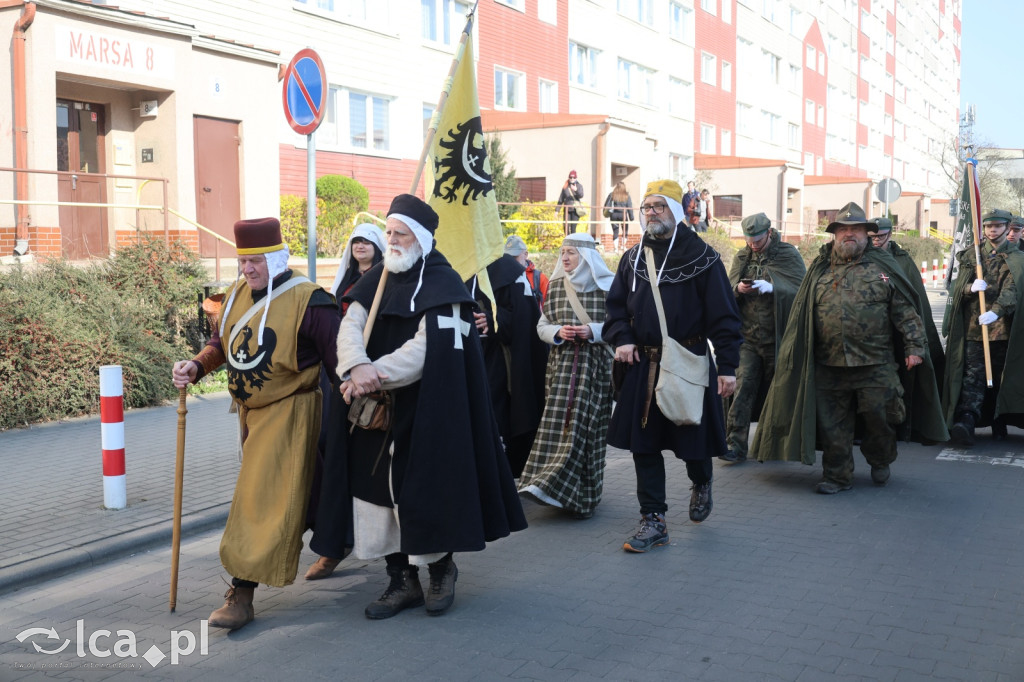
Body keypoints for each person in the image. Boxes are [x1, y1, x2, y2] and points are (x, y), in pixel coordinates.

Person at [311, 194, 527, 620]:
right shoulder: (375, 280)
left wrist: (374, 374)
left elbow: (426, 352)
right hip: (371, 412)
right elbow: (350, 326)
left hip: (427, 409)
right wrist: (354, 365)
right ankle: (401, 581)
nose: (391, 241)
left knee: (425, 492)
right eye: (388, 232)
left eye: (400, 234)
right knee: (374, 495)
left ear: (422, 239)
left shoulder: (444, 285)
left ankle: (441, 571)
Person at [171, 217, 340, 631]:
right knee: (305, 488)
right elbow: (222, 343)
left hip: (293, 412)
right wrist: (196, 365)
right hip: (250, 414)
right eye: (243, 260)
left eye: (257, 260)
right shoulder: (237, 295)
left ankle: (241, 594)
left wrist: (360, 400)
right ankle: (337, 537)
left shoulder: (310, 300)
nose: (248, 268)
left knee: (259, 498)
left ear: (277, 258)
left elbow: (340, 357)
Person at [752, 202, 940, 494]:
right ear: (834, 235)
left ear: (867, 234)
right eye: (843, 230)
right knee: (832, 426)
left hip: (876, 364)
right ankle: (838, 476)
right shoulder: (819, 269)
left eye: (856, 230)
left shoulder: (883, 268)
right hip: (828, 365)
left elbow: (905, 312)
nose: (848, 235)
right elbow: (802, 315)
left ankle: (881, 459)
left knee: (881, 419)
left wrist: (915, 347)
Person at [604, 179, 742, 553]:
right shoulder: (632, 259)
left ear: (676, 212)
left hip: (689, 363)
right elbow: (615, 309)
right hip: (643, 365)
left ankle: (701, 480)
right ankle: (654, 519)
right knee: (643, 446)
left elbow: (725, 318)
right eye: (646, 207)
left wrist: (727, 367)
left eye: (659, 207)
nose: (651, 213)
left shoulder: (704, 258)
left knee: (691, 442)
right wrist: (623, 338)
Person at [304, 222, 387, 581]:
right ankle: (333, 546)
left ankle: (402, 559)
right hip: (342, 385)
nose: (360, 246)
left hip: (382, 383)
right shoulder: (341, 288)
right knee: (335, 460)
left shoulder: (389, 281)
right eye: (355, 241)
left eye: (368, 240)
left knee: (378, 470)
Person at [518, 233, 615, 519]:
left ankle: (583, 497)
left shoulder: (609, 287)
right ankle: (546, 485)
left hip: (596, 370)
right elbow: (543, 324)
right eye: (562, 253)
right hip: (561, 370)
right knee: (557, 429)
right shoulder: (557, 286)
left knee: (587, 432)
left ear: (586, 256)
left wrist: (593, 332)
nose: (565, 258)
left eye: (570, 252)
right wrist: (559, 333)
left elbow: (622, 326)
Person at [720, 212, 806, 463]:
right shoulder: (742, 257)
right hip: (747, 338)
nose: (753, 245)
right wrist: (739, 289)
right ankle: (735, 444)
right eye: (749, 240)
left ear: (769, 233)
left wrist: (774, 288)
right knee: (742, 386)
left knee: (778, 392)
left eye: (757, 240)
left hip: (778, 338)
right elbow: (727, 290)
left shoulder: (788, 254)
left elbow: (801, 289)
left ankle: (776, 445)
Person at [942, 208, 1024, 445]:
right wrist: (969, 288)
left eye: (997, 226)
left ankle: (999, 423)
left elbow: (1013, 291)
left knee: (1000, 378)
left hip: (1003, 330)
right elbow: (957, 287)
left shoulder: (1017, 258)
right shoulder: (972, 256)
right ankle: (967, 421)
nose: (992, 230)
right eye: (988, 226)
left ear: (1008, 228)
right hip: (973, 329)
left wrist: (996, 312)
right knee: (973, 376)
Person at [866, 217, 949, 444]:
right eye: (871, 237)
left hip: (900, 332)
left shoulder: (901, 260)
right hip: (871, 335)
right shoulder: (860, 257)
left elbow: (915, 299)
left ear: (890, 235)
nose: (875, 241)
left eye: (880, 237)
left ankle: (905, 426)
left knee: (903, 381)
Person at [466, 251, 548, 478]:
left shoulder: (508, 271)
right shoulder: (456, 262)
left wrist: (493, 320)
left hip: (499, 360)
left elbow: (525, 317)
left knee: (496, 413)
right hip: (466, 354)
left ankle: (499, 474)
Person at [504, 234, 549, 309]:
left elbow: (548, 309)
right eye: (508, 257)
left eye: (515, 256)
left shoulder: (539, 278)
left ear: (526, 254)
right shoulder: (501, 276)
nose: (511, 261)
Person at [603, 181, 635, 252]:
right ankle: (623, 246)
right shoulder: (626, 195)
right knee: (625, 230)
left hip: (614, 215)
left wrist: (605, 212)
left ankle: (616, 248)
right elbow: (629, 207)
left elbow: (606, 204)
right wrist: (631, 217)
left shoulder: (612, 194)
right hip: (623, 214)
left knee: (615, 231)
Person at [557, 170, 585, 236]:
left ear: (576, 178)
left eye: (574, 178)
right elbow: (561, 198)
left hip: (575, 210)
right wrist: (557, 210)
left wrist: (576, 190)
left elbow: (581, 195)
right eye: (571, 177)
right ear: (569, 177)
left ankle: (572, 243)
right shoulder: (565, 186)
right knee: (566, 227)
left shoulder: (579, 186)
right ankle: (567, 242)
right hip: (567, 210)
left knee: (573, 228)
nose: (572, 179)